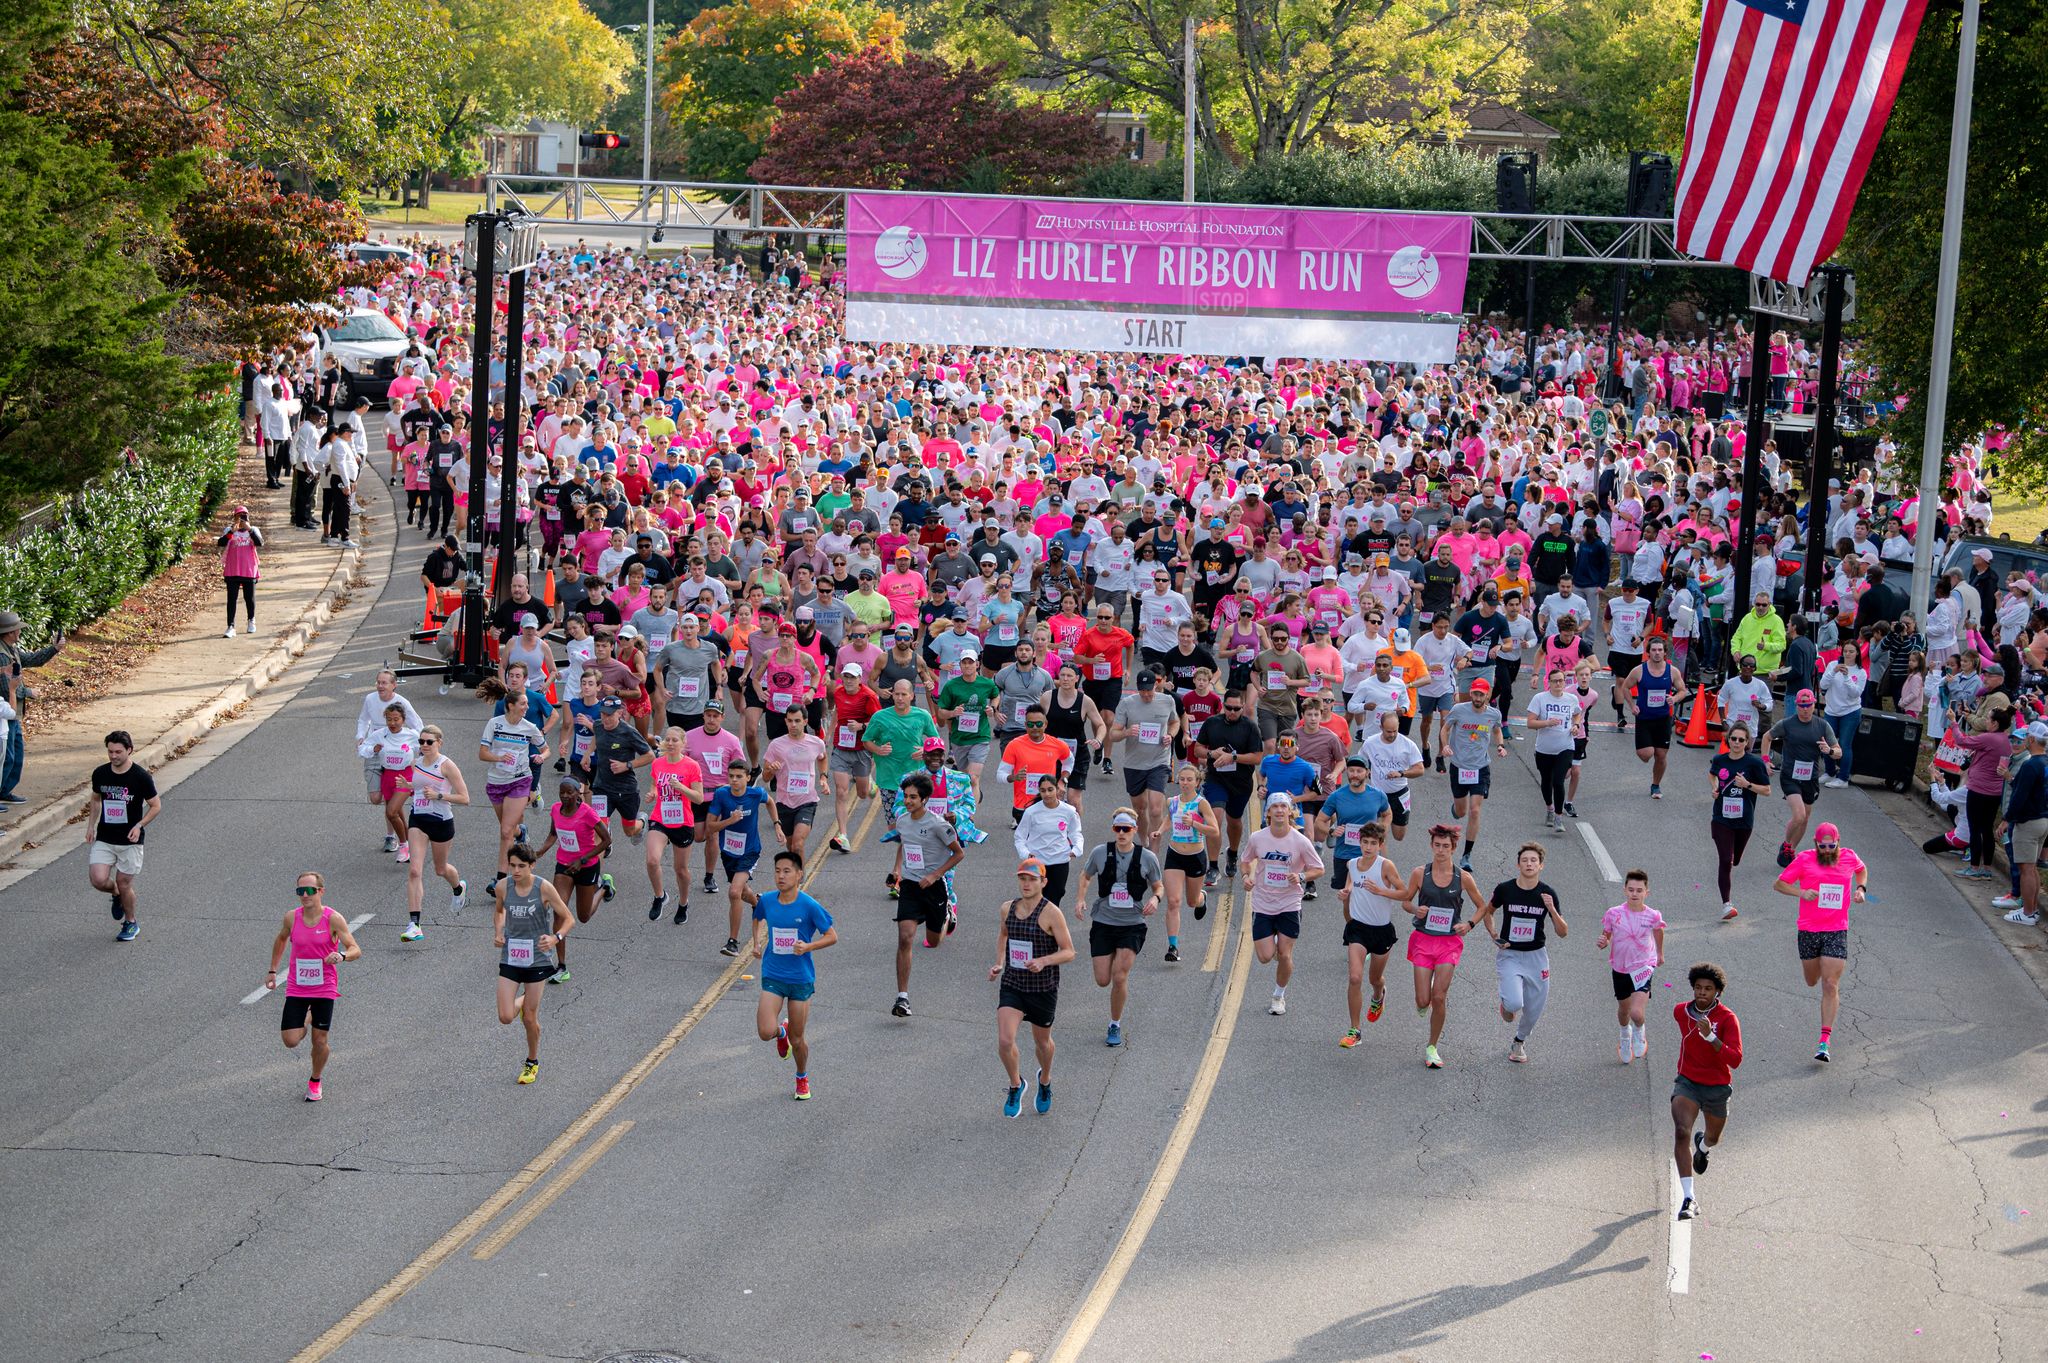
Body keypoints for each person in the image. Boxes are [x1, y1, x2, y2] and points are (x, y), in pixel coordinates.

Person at [1771, 821, 1868, 1063]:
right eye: (1822, 846)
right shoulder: (1804, 859)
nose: (1827, 850)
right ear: (1815, 843)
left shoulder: (1848, 857)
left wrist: (1861, 889)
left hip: (1836, 929)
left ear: (1838, 842)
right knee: (1812, 980)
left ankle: (1824, 1042)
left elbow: (1861, 869)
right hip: (1809, 930)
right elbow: (1779, 884)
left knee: (1830, 983)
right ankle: (1813, 977)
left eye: (1831, 845)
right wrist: (1801, 893)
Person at [265, 871, 362, 1101]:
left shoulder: (333, 919)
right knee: (290, 1041)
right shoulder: (292, 917)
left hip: (324, 987)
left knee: (319, 1040)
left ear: (320, 891)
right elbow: (281, 939)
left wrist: (342, 955)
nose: (304, 895)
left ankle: (315, 1080)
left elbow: (355, 948)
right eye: (300, 891)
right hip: (298, 986)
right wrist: (272, 970)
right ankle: (307, 1016)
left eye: (309, 890)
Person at [992, 858, 1078, 1117]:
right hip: (1013, 983)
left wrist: (1044, 961)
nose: (1026, 884)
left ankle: (1045, 1080)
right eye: (1022, 878)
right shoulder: (1008, 908)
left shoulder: (1051, 913)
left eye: (1032, 879)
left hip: (1043, 987)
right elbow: (1003, 935)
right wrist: (998, 964)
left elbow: (1069, 952)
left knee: (1043, 1044)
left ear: (1043, 882)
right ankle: (1016, 1085)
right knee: (1005, 1040)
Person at [1398, 823, 1487, 1069]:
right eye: (1437, 845)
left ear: (1453, 848)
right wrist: (1416, 909)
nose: (1440, 850)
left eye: (1445, 846)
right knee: (1423, 999)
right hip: (1423, 940)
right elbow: (1406, 902)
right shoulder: (1419, 873)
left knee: (1439, 996)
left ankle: (1432, 1047)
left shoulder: (1463, 877)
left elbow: (1482, 906)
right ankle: (1421, 1005)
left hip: (1449, 942)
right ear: (1431, 846)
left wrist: (1469, 924)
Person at [752, 850, 838, 1102]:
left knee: (798, 1039)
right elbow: (757, 917)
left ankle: (801, 1076)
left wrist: (808, 947)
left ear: (799, 875)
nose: (781, 876)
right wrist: (756, 944)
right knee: (764, 1031)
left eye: (787, 871)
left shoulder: (809, 906)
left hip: (800, 979)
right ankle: (781, 1033)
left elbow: (832, 936)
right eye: (777, 870)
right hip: (773, 975)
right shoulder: (767, 900)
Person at [1079, 808, 1165, 1045]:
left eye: (1126, 829)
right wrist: (1080, 900)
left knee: (1119, 977)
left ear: (1134, 831)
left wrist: (1155, 899)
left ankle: (1114, 1024)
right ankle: (1111, 961)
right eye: (1118, 829)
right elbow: (1085, 876)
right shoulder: (1100, 853)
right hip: (1104, 922)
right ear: (1113, 830)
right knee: (1102, 979)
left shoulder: (1147, 857)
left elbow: (1158, 886)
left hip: (1132, 924)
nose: (1122, 833)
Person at [1478, 842, 1568, 1064]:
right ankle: (1507, 1004)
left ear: (1541, 866)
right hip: (1511, 954)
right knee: (1514, 1004)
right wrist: (1493, 934)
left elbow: (1563, 932)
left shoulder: (1547, 893)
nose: (1529, 864)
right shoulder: (1505, 889)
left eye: (1534, 861)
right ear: (1518, 864)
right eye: (1525, 860)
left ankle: (1519, 1042)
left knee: (1534, 1008)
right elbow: (1488, 912)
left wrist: (1552, 910)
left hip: (1537, 956)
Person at [492, 844, 573, 1085]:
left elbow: (568, 918)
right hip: (511, 957)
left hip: (537, 959)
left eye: (521, 866)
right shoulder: (503, 887)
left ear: (532, 866)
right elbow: (499, 912)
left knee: (529, 1017)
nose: (515, 871)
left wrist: (555, 938)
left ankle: (531, 1062)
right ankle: (527, 996)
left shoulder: (543, 888)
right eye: (512, 865)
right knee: (506, 1016)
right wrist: (498, 931)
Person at [1241, 793, 1325, 1017]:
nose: (1279, 810)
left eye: (1283, 806)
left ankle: (1278, 996)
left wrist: (1302, 877)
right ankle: (1275, 940)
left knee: (1285, 955)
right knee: (1265, 957)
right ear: (1268, 812)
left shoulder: (1300, 841)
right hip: (1263, 903)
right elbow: (1245, 860)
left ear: (1290, 811)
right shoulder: (1257, 838)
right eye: (1275, 806)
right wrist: (1246, 877)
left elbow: (1319, 868)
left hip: (1289, 903)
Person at [889, 769, 965, 1017]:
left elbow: (958, 854)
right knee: (905, 937)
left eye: (913, 797)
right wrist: (897, 870)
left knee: (933, 941)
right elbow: (904, 844)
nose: (908, 801)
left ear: (924, 799)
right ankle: (903, 998)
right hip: (910, 886)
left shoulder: (938, 825)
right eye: (906, 796)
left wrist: (934, 875)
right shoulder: (901, 820)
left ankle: (947, 915)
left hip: (934, 887)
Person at [1672, 962, 1743, 1222]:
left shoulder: (1727, 1019)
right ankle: (1689, 1198)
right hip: (1687, 1083)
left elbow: (1735, 1059)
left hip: (1716, 1088)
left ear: (1718, 992)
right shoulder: (1681, 1012)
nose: (1702, 993)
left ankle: (1703, 1146)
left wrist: (1712, 1038)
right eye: (1698, 988)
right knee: (1681, 1132)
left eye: (1708, 989)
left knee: (1713, 1137)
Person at [533, 777, 610, 981]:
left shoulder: (587, 813)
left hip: (587, 866)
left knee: (583, 916)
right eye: (562, 792)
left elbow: (607, 840)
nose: (565, 796)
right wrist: (539, 852)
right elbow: (553, 834)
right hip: (564, 866)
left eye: (569, 792)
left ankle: (604, 888)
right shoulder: (556, 809)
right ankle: (561, 966)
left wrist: (583, 859)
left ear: (578, 794)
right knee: (559, 911)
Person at [86, 730, 160, 942]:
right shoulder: (100, 773)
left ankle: (130, 922)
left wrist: (139, 825)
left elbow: (156, 806)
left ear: (129, 750)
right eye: (110, 751)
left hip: (130, 840)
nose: (113, 756)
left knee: (124, 882)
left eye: (118, 752)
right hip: (106, 837)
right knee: (98, 880)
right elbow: (96, 799)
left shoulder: (140, 777)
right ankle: (116, 893)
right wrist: (91, 826)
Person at [1338, 823, 1404, 1048]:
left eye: (1373, 843)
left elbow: (1404, 892)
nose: (1368, 847)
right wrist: (1345, 893)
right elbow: (1350, 884)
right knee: (1355, 977)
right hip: (1357, 929)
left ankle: (1379, 995)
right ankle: (1354, 1030)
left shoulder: (1386, 866)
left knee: (1374, 978)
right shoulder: (1352, 864)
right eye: (1365, 842)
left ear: (1380, 845)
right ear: (1359, 842)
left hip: (1382, 931)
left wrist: (1381, 891)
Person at [401, 725, 468, 942]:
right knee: (414, 871)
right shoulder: (416, 762)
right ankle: (415, 924)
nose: (424, 746)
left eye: (429, 742)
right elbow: (419, 786)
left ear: (439, 742)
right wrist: (408, 785)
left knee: (440, 869)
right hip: (418, 818)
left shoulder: (447, 765)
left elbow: (465, 798)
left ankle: (458, 888)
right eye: (421, 742)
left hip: (441, 821)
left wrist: (439, 796)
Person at [479, 690, 549, 892]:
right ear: (510, 705)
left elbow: (545, 748)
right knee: (509, 828)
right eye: (523, 704)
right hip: (496, 782)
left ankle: (501, 880)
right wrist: (499, 758)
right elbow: (482, 753)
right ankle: (522, 831)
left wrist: (542, 757)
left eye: (527, 704)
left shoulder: (530, 728)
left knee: (504, 831)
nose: (527, 707)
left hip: (520, 780)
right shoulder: (495, 724)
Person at [1599, 868, 1666, 1064]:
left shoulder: (1653, 915)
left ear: (1647, 892)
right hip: (1620, 968)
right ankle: (1624, 1035)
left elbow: (1659, 931)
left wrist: (1660, 954)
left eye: (1639, 890)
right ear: (1625, 890)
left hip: (1643, 968)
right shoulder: (1614, 913)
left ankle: (1639, 1032)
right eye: (1631, 890)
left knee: (1636, 1012)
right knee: (1624, 1010)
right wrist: (1604, 942)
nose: (1634, 894)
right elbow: (1607, 934)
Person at [1707, 721, 1773, 921]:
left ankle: (1733, 855)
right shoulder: (1719, 760)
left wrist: (1747, 784)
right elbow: (1712, 775)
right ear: (1729, 740)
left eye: (1741, 740)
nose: (1736, 743)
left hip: (1744, 820)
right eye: (1733, 739)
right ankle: (1726, 905)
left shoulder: (1754, 764)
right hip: (1721, 818)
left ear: (1747, 743)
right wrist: (1715, 787)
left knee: (1735, 860)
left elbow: (1767, 790)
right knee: (1726, 860)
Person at [1438, 678, 1507, 869]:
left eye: (1481, 694)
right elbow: (1445, 729)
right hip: (1459, 767)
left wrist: (1500, 746)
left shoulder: (1494, 714)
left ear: (1487, 695)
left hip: (1480, 768)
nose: (1477, 697)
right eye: (1475, 693)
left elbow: (1497, 730)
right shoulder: (1459, 710)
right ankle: (1457, 808)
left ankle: (1466, 855)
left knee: (1475, 810)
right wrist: (1445, 746)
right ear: (1471, 693)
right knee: (1461, 812)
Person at [706, 759, 772, 957]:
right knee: (742, 892)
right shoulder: (721, 795)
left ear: (748, 778)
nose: (734, 780)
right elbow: (710, 826)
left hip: (750, 851)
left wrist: (776, 824)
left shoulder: (755, 793)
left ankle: (732, 942)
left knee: (734, 892)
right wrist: (730, 820)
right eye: (731, 776)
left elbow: (770, 801)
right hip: (728, 852)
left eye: (739, 777)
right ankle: (757, 902)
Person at [1770, 688, 1842, 867]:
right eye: (1801, 705)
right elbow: (1766, 737)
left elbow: (1838, 752)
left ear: (1813, 705)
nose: (1805, 709)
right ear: (1797, 706)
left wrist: (1829, 750)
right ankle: (1786, 844)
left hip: (1810, 778)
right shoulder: (1787, 724)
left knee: (1805, 818)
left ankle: (1791, 849)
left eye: (1808, 705)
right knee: (1799, 814)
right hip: (1790, 776)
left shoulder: (1822, 725)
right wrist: (1765, 760)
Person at [1195, 689, 1263, 875]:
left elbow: (1257, 757)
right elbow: (1198, 749)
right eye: (1228, 708)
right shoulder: (1212, 723)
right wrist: (1211, 754)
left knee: (1234, 821)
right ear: (1223, 705)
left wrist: (1233, 758)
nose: (1232, 712)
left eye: (1236, 708)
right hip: (1216, 779)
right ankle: (1213, 866)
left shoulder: (1250, 727)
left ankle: (1232, 853)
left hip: (1240, 782)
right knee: (1214, 818)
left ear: (1243, 707)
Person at [1110, 669, 1180, 848]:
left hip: (1159, 761)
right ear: (1138, 688)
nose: (1147, 694)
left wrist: (1170, 736)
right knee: (1140, 809)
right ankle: (1144, 841)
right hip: (1134, 764)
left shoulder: (1167, 701)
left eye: (1149, 690)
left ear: (1156, 685)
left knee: (1156, 809)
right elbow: (1113, 734)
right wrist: (1126, 732)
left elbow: (1175, 722)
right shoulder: (1127, 704)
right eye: (1143, 691)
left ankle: (1153, 851)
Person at [644, 726, 706, 924]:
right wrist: (652, 793)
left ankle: (683, 902)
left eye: (674, 740)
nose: (670, 744)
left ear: (683, 744)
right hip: (660, 817)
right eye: (667, 740)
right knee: (653, 860)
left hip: (682, 821)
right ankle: (660, 896)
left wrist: (681, 788)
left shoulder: (691, 766)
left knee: (680, 869)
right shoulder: (657, 763)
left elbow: (699, 798)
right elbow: (655, 784)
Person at [1160, 764, 1220, 958]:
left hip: (1195, 856)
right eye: (1182, 779)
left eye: (1189, 780)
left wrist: (1194, 823)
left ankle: (1201, 898)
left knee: (1191, 901)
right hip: (1174, 854)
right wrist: (1160, 831)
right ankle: (1173, 947)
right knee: (1173, 901)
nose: (1185, 783)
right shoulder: (1171, 801)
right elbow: (1169, 819)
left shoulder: (1201, 804)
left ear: (1197, 782)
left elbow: (1214, 831)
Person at [1621, 637, 1689, 798]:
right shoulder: (1639, 670)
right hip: (1644, 718)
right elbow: (1625, 687)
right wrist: (1632, 706)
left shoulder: (1672, 671)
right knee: (1646, 754)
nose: (1657, 653)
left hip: (1663, 719)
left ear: (1665, 652)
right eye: (1654, 650)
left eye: (1660, 650)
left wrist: (1674, 699)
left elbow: (1682, 690)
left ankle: (1656, 785)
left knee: (1661, 755)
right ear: (1648, 652)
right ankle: (1647, 753)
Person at [761, 703, 827, 860]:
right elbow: (765, 777)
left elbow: (822, 758)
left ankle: (798, 881)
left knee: (798, 844)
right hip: (784, 803)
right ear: (785, 721)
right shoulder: (776, 745)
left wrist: (823, 777)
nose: (793, 725)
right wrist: (771, 770)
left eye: (797, 721)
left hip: (807, 801)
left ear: (805, 721)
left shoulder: (816, 743)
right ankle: (796, 876)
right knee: (791, 847)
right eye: (790, 721)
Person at [1013, 773, 1086, 906]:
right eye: (1043, 790)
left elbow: (1075, 833)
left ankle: (1050, 925)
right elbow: (1019, 837)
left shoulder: (1069, 811)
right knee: (1037, 898)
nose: (1047, 794)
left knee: (1055, 897)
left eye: (1050, 789)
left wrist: (1076, 849)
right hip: (1037, 862)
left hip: (1060, 861)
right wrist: (1026, 854)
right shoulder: (1031, 812)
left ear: (1057, 790)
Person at [359, 703, 420, 860]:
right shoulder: (380, 734)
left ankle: (403, 845)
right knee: (397, 814)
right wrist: (373, 750)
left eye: (396, 719)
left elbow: (428, 747)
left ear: (403, 719)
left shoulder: (412, 735)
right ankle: (410, 846)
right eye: (389, 719)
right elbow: (362, 749)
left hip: (404, 777)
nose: (392, 723)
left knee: (391, 812)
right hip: (387, 776)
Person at [1525, 668, 1580, 832]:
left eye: (1561, 680)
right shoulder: (1540, 698)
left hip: (1565, 746)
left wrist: (1576, 725)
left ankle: (1558, 817)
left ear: (1564, 682)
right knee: (1546, 781)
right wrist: (1547, 723)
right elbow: (1530, 723)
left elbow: (1577, 713)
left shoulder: (1571, 699)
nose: (1558, 683)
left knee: (1558, 781)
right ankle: (1549, 808)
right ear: (1548, 683)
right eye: (1554, 681)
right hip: (1544, 749)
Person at [217, 506, 265, 638]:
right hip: (232, 570)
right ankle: (230, 626)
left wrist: (249, 529)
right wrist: (231, 532)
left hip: (249, 570)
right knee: (231, 599)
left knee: (249, 598)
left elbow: (260, 543)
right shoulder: (229, 531)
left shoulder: (254, 530)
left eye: (245, 515)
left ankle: (251, 620)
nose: (243, 518)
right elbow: (220, 543)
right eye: (239, 516)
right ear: (234, 518)